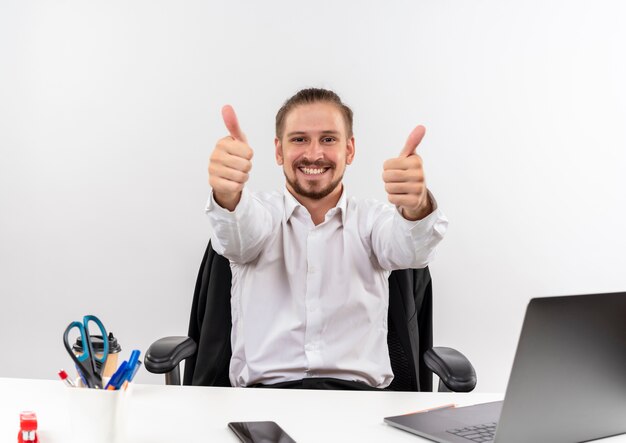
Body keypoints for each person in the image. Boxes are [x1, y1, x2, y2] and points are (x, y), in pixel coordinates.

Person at [205, 88, 448, 389]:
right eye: (299, 139)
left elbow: (411, 249)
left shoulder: (373, 221)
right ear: (279, 151)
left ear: (350, 149)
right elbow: (237, 233)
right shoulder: (261, 216)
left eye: (328, 139)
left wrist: (416, 205)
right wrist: (228, 195)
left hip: (358, 405)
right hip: (264, 402)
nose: (314, 153)